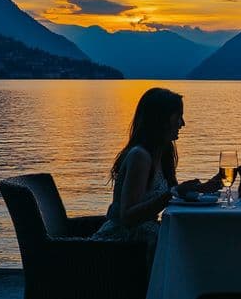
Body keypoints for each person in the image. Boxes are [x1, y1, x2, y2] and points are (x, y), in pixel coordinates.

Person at [93, 87, 221, 266]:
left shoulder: (163, 152)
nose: (182, 123)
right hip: (120, 249)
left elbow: (171, 193)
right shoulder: (140, 156)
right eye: (178, 116)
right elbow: (128, 217)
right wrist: (173, 193)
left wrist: (202, 188)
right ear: (161, 119)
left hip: (145, 240)